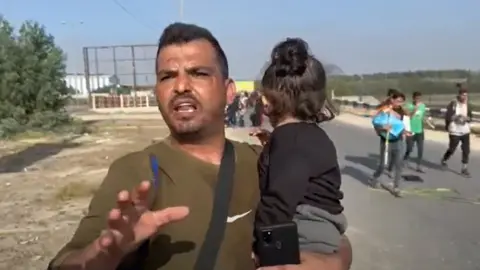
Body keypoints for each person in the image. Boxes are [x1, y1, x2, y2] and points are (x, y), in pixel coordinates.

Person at [48, 23, 352, 270]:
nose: (180, 86)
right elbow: (67, 262)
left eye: (198, 73)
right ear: (157, 91)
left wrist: (332, 262)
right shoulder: (138, 171)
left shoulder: (262, 162)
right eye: (167, 76)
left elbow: (332, 235)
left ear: (229, 91)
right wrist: (103, 256)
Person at [253, 38, 345, 256]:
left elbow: (278, 204)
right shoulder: (309, 135)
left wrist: (259, 245)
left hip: (304, 235)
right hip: (323, 233)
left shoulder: (290, 140)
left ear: (269, 100)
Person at [370, 90, 407, 197]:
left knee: (399, 164)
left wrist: (405, 131)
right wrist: (383, 127)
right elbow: (376, 124)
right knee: (383, 164)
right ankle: (374, 178)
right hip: (386, 141)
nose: (400, 104)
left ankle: (396, 187)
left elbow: (401, 122)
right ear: (392, 100)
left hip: (399, 140)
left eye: (402, 102)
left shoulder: (401, 111)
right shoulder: (383, 110)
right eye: (398, 101)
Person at [441, 87, 472, 177]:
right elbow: (448, 116)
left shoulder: (467, 105)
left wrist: (467, 119)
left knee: (466, 149)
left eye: (466, 95)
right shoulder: (454, 104)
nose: (464, 97)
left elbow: (470, 117)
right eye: (463, 95)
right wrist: (458, 117)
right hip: (455, 130)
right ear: (459, 95)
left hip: (465, 130)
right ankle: (445, 159)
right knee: (452, 148)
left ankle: (464, 168)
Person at [403, 91, 428, 172]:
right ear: (413, 98)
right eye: (416, 98)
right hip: (410, 130)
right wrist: (415, 109)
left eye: (419, 98)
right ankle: (405, 159)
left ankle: (419, 166)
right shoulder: (408, 105)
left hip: (419, 131)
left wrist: (425, 120)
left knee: (420, 149)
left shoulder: (423, 106)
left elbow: (422, 117)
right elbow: (408, 117)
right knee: (409, 148)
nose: (418, 100)